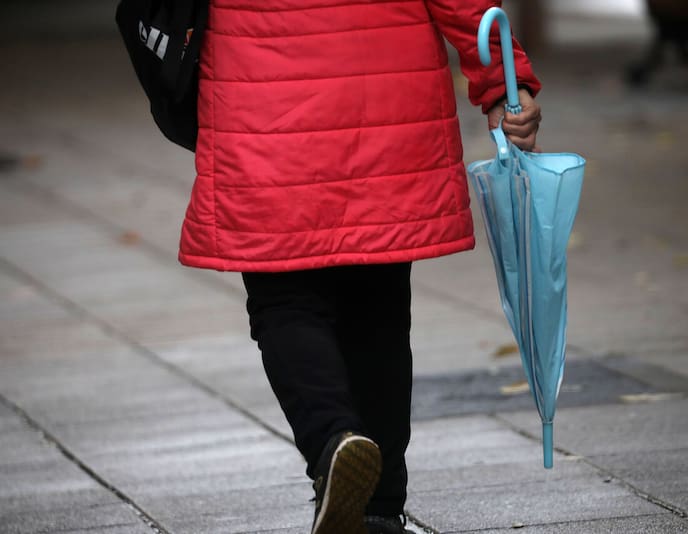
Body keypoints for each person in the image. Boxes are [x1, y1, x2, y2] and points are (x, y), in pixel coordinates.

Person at [177, 1, 541, 533]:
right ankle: (380, 508)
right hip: (387, 96)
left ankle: (334, 441)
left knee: (284, 300)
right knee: (379, 307)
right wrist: (504, 83)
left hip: (264, 98)